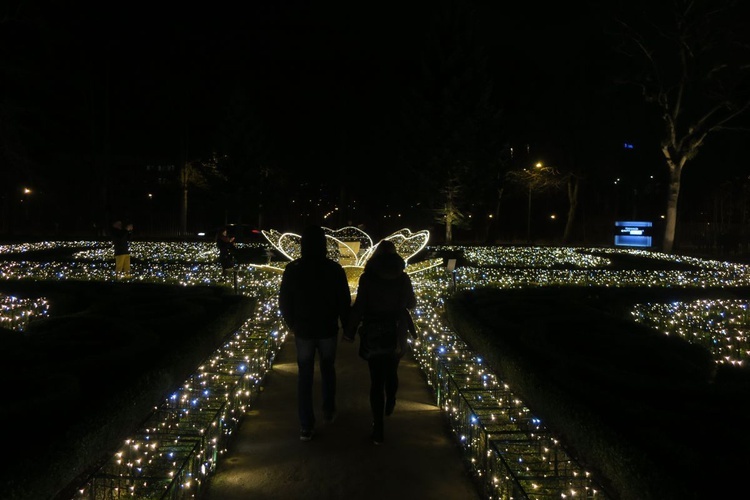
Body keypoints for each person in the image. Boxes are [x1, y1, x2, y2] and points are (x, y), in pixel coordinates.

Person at [279, 225, 351, 441]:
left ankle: (306, 425)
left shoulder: (293, 269)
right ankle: (328, 409)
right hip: (327, 327)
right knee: (328, 368)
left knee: (305, 375)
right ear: (324, 244)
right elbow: (344, 301)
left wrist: (293, 323)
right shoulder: (334, 268)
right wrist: (346, 325)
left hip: (304, 330)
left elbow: (284, 301)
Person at [343, 239, 417, 444]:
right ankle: (391, 399)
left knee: (376, 381)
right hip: (396, 332)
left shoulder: (368, 278)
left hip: (374, 333)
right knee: (392, 371)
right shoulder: (403, 278)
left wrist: (349, 331)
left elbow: (359, 306)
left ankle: (378, 430)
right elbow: (412, 303)